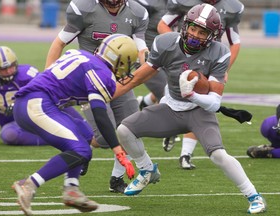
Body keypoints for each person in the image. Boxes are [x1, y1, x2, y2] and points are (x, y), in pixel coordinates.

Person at [114, 4, 266, 214]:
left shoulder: (219, 52)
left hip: (199, 111)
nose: (195, 35)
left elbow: (214, 102)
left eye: (202, 32)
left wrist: (193, 94)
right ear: (185, 26)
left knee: (218, 155)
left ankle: (254, 196)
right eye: (193, 28)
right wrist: (110, 93)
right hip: (170, 107)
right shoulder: (166, 42)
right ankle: (147, 169)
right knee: (124, 130)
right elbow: (141, 75)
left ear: (211, 36)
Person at [11, 34, 137, 215]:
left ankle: (72, 189)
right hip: (37, 104)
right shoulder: (102, 73)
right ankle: (29, 184)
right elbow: (100, 114)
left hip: (35, 103)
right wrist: (117, 149)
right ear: (121, 61)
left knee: (85, 136)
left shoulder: (83, 56)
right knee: (81, 150)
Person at [45, 0, 149, 193]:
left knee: (131, 128)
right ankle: (84, 145)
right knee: (103, 137)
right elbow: (59, 42)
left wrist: (147, 59)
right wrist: (48, 77)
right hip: (90, 81)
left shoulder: (137, 12)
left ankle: (116, 179)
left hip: (119, 78)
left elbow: (141, 48)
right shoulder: (84, 9)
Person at [157, 0, 244, 170]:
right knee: (175, 94)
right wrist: (175, 47)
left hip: (208, 61)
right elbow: (162, 25)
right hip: (182, 56)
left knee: (200, 103)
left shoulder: (232, 7)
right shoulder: (185, 2)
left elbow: (235, 42)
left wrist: (224, 67)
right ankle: (170, 125)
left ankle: (185, 154)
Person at [0, 46, 47, 146]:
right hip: (13, 124)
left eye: (11, 66)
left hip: (36, 116)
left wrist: (19, 105)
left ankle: (79, 126)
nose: (8, 71)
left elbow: (47, 93)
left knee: (62, 104)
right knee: (9, 135)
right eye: (3, 69)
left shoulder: (26, 74)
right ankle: (54, 139)